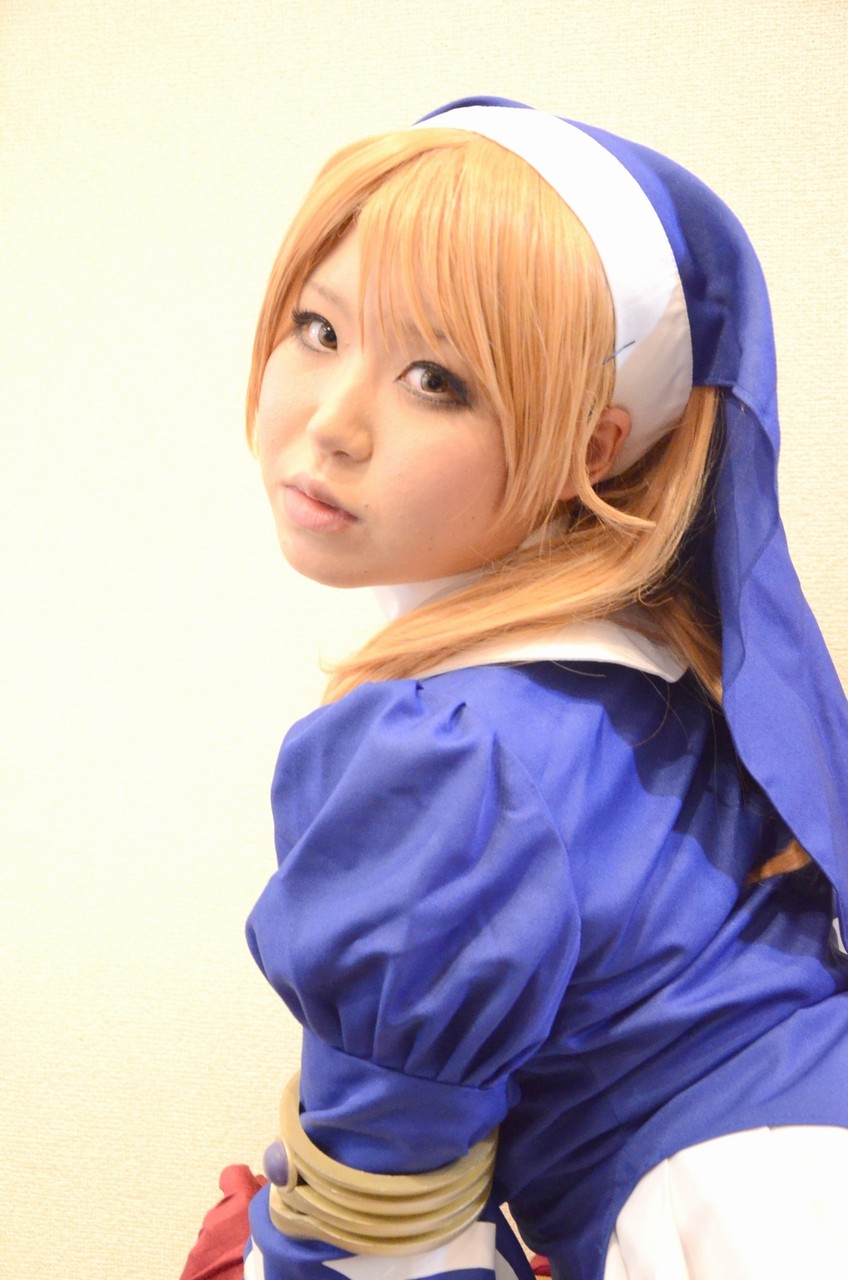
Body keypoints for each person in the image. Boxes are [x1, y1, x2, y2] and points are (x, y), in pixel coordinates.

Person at [191, 97, 848, 1280]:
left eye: (435, 378)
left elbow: (383, 1216)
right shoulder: (667, 663)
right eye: (318, 327)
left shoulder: (449, 746)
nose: (332, 423)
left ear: (592, 448)